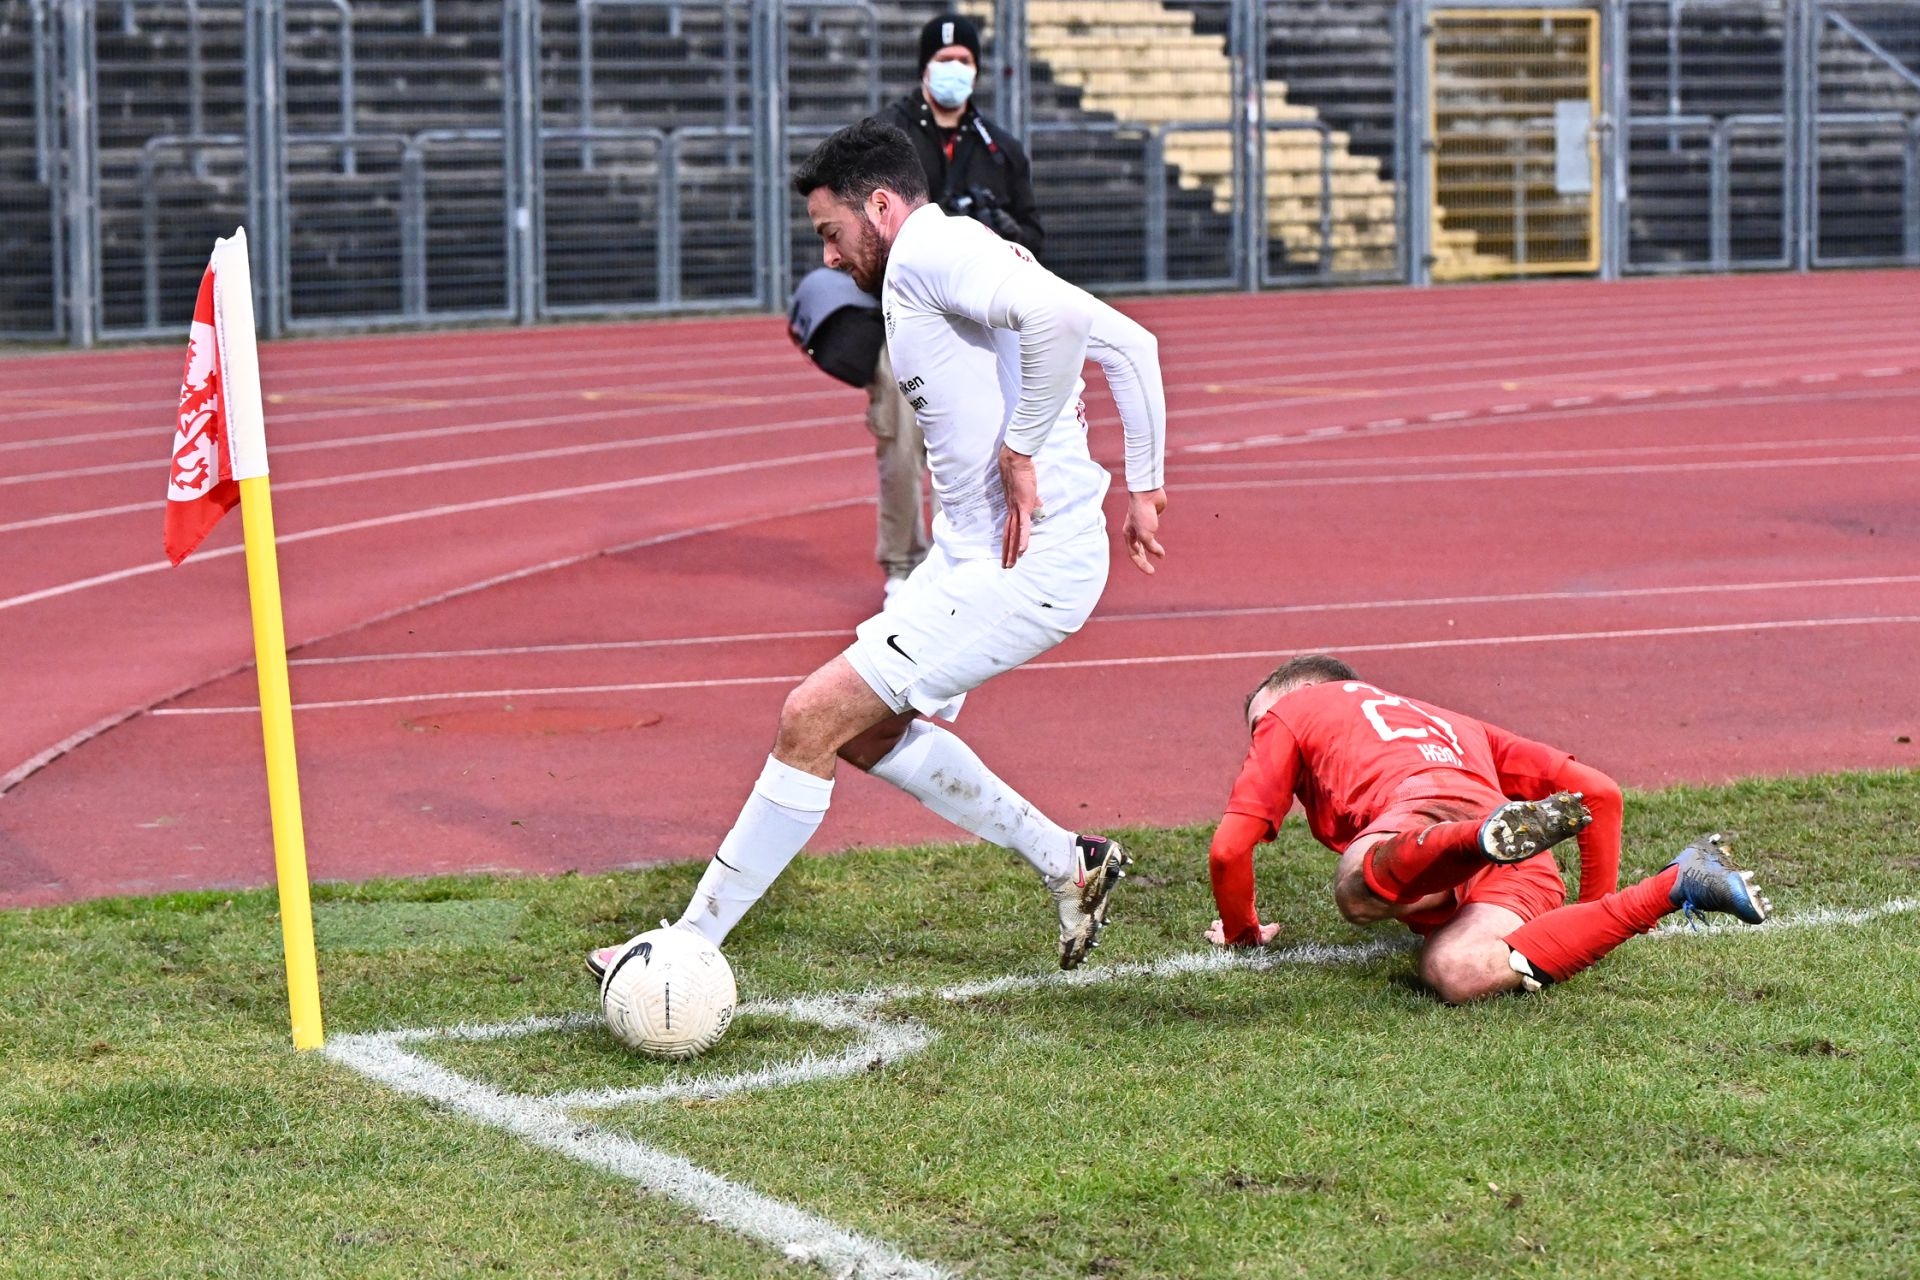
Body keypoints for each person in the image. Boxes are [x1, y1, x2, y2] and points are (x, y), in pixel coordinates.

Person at [591, 119, 1168, 974]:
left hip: (1026, 566)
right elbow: (1130, 342)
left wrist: (1023, 446)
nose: (827, 257)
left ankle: (685, 947)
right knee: (855, 732)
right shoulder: (958, 249)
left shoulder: (935, 254)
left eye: (832, 232)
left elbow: (1057, 321)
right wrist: (1145, 486)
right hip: (973, 557)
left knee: (809, 714)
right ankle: (1069, 863)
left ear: (884, 207)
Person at [1205, 654, 1772, 1001]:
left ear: (1299, 694)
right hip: (1496, 849)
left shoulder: (1293, 712)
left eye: (1259, 726)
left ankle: (1475, 839)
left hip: (1418, 816)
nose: (1259, 740)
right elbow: (1600, 791)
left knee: (1359, 893)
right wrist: (1590, 917)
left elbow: (1230, 850)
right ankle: (1679, 881)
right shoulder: (1449, 718)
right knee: (1455, 972)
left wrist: (1242, 935)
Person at [852, 13, 1046, 602]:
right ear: (922, 67)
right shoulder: (886, 138)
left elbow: (1036, 240)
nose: (953, 71)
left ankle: (977, 556)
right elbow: (865, 229)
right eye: (943, 60)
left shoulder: (999, 148)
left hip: (983, 324)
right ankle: (905, 565)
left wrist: (1005, 228)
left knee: (989, 442)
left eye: (964, 60)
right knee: (904, 438)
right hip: (906, 316)